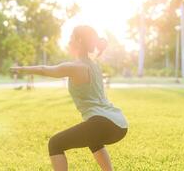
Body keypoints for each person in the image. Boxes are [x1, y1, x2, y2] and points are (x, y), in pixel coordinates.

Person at [10, 25, 128, 171]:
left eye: (70, 38)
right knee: (93, 139)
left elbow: (44, 70)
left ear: (78, 41)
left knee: (55, 143)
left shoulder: (75, 67)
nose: (68, 42)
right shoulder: (94, 66)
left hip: (102, 123)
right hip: (119, 124)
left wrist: (21, 69)